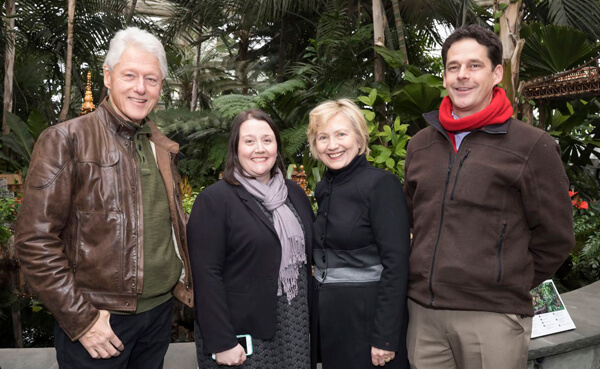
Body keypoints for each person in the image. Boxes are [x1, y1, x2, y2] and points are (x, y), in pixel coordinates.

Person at [15, 27, 193, 369]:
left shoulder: (159, 145)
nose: (141, 88)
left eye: (151, 79)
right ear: (108, 77)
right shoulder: (66, 139)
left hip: (157, 316)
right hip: (99, 321)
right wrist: (80, 320)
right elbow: (34, 241)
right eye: (130, 75)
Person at [404, 24, 575, 369]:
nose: (462, 76)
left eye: (474, 66)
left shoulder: (531, 145)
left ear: (497, 73)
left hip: (492, 317)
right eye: (454, 67)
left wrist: (504, 281)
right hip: (424, 316)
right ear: (444, 75)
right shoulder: (420, 145)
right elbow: (413, 220)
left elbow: (556, 237)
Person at [187, 109, 314, 369]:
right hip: (242, 335)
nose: (260, 149)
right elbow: (206, 275)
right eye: (249, 141)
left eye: (267, 140)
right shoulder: (215, 200)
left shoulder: (294, 194)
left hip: (295, 326)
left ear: (277, 147)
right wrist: (221, 341)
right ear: (235, 148)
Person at [307, 99, 410, 369]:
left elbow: (397, 266)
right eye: (323, 137)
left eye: (341, 134)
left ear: (360, 137)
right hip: (332, 324)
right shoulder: (324, 188)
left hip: (369, 324)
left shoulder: (381, 185)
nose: (332, 145)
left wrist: (385, 338)